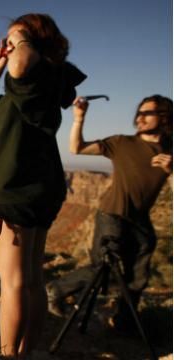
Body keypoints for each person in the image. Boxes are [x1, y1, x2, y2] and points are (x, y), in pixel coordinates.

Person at [0, 13, 86, 358]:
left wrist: (18, 36)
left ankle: (11, 355)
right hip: (39, 188)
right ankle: (27, 350)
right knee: (32, 280)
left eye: (12, 38)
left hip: (15, 188)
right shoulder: (29, 89)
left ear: (31, 39)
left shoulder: (37, 77)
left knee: (14, 284)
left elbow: (20, 65)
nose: (7, 45)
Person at [46, 95, 172, 332]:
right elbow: (77, 148)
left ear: (164, 117)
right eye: (139, 113)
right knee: (103, 267)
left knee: (138, 275)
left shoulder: (170, 151)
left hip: (140, 219)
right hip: (113, 213)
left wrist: (170, 170)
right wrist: (79, 118)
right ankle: (57, 289)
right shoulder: (122, 143)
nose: (139, 118)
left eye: (147, 113)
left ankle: (125, 323)